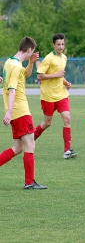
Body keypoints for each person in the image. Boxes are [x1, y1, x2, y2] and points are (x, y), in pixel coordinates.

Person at [0, 36, 47, 189]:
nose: (32, 53)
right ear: (28, 50)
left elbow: (25, 75)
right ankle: (29, 182)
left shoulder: (10, 62)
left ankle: (29, 181)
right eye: (31, 52)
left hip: (16, 111)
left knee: (18, 148)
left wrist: (31, 62)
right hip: (20, 110)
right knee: (30, 144)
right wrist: (9, 112)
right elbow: (12, 90)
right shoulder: (14, 66)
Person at [34, 33, 77, 159]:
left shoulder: (64, 58)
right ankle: (31, 139)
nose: (61, 47)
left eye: (63, 44)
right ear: (53, 45)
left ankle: (67, 151)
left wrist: (65, 82)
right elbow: (39, 76)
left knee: (67, 119)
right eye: (58, 44)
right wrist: (56, 75)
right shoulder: (48, 59)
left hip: (61, 95)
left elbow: (60, 75)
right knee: (47, 123)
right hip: (48, 96)